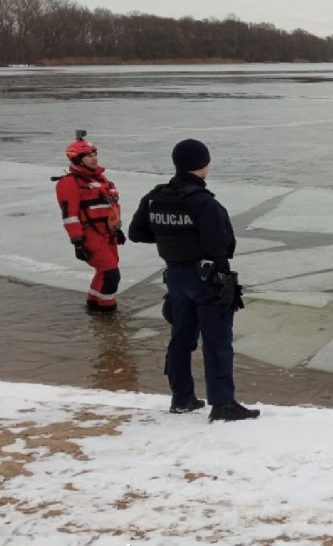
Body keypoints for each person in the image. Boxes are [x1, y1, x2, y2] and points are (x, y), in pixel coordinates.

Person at [128, 138, 259, 422]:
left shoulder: (154, 197)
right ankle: (223, 404)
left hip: (175, 277)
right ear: (203, 165)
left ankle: (182, 397)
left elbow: (137, 233)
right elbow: (221, 246)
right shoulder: (204, 202)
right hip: (208, 280)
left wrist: (169, 240)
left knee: (181, 339)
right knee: (217, 342)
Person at [53, 130, 125, 313]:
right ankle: (108, 312)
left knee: (105, 270)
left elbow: (111, 206)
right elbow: (70, 215)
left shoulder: (100, 178)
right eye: (88, 156)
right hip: (89, 234)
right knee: (110, 274)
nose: (94, 159)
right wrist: (77, 241)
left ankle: (93, 303)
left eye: (95, 154)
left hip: (107, 232)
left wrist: (116, 229)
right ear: (77, 159)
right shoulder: (69, 183)